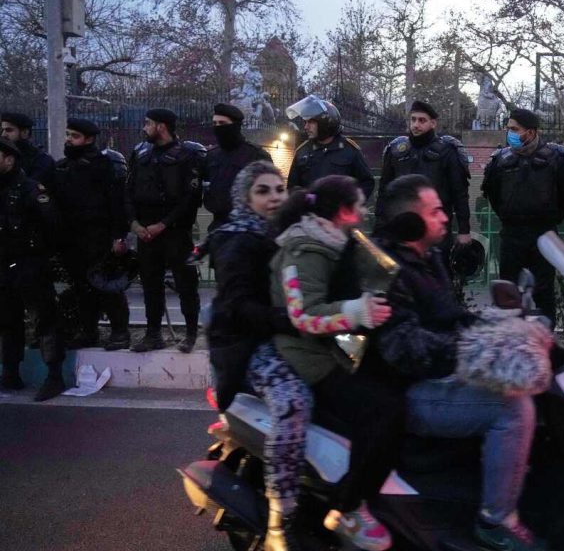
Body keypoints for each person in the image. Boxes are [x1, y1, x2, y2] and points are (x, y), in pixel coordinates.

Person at [372, 174, 545, 551]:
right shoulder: (388, 269)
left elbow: (450, 318)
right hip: (409, 392)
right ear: (411, 220)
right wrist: (476, 348)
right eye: (435, 211)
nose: (445, 217)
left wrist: (502, 327)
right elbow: (406, 348)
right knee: (513, 407)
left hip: (439, 376)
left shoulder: (427, 257)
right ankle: (496, 520)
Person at [269, 175, 400, 551]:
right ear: (343, 212)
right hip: (310, 359)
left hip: (337, 349)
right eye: (359, 206)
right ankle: (349, 506)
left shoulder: (338, 241)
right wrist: (358, 311)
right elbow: (303, 316)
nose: (365, 212)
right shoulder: (304, 250)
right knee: (383, 410)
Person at [204, 161, 312, 551]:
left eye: (279, 189)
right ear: (245, 198)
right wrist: (293, 320)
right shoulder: (237, 240)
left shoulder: (282, 232)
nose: (274, 198)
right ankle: (283, 511)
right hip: (247, 344)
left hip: (280, 332)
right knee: (293, 401)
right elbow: (239, 307)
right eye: (262, 191)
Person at [481, 108, 564, 322]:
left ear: (531, 132)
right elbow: (493, 193)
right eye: (508, 129)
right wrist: (510, 214)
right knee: (508, 293)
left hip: (544, 236)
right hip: (512, 234)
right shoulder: (500, 160)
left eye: (515, 129)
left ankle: (546, 336)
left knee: (544, 292)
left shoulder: (556, 159)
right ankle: (511, 336)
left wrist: (551, 217)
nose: (510, 134)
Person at [125, 108, 205, 353]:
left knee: (186, 284)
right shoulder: (141, 153)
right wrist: (134, 224)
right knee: (150, 285)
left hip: (175, 231)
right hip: (145, 232)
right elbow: (128, 192)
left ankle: (190, 333)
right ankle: (153, 334)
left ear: (161, 126)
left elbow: (191, 198)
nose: (144, 127)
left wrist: (163, 224)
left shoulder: (187, 155)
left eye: (148, 123)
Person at [47, 119, 131, 351]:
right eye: (68, 135)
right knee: (81, 287)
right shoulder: (62, 167)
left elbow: (117, 204)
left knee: (107, 286)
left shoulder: (103, 166)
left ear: (89, 139)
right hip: (71, 239)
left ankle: (120, 332)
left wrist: (118, 236)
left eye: (74, 136)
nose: (69, 140)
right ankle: (88, 330)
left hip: (98, 237)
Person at [0, 138, 65, 401]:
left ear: (9, 159)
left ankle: (54, 376)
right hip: (4, 265)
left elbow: (53, 225)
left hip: (30, 264)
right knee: (7, 319)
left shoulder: (31, 189)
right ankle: (10, 373)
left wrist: (39, 256)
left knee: (44, 319)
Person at [377, 100, 472, 263]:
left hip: (435, 229)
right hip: (400, 228)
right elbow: (384, 192)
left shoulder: (447, 151)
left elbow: (460, 194)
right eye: (413, 119)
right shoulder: (396, 151)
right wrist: (380, 226)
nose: (416, 125)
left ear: (433, 123)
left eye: (422, 120)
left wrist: (464, 230)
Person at [284, 95, 375, 201]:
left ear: (325, 123)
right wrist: (309, 199)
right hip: (311, 210)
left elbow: (367, 183)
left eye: (311, 122)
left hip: (340, 211)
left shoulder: (350, 149)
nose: (306, 127)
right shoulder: (302, 151)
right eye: (306, 122)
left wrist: (349, 203)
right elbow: (292, 189)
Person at [202, 103, 272, 232]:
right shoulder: (212, 156)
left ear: (235, 125)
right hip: (218, 226)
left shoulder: (256, 155)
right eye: (215, 123)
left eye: (222, 123)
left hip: (249, 227)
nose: (218, 127)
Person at [0, 112, 55, 182]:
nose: (3, 134)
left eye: (9, 130)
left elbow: (29, 185)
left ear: (25, 133)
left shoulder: (41, 160)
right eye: (2, 130)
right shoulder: (4, 156)